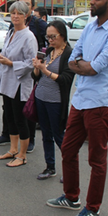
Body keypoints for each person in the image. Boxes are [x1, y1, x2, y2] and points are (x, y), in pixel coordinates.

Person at [46, 0, 108, 216]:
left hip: (100, 103)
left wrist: (84, 65)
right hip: (80, 100)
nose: (91, 2)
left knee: (97, 159)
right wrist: (83, 65)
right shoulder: (90, 27)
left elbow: (94, 68)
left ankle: (93, 208)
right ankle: (71, 197)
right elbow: (72, 59)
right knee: (68, 150)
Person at [0, 0, 46, 152]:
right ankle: (13, 149)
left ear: (26, 16)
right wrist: (1, 56)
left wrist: (10, 63)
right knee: (10, 117)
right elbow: (9, 53)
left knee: (20, 120)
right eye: (13, 13)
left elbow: (31, 62)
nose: (15, 16)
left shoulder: (29, 37)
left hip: (20, 84)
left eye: (19, 14)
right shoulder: (10, 32)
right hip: (8, 81)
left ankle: (22, 154)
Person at [32, 20, 75, 179]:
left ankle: (70, 170)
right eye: (47, 36)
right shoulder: (48, 51)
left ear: (62, 35)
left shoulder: (69, 54)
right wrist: (37, 68)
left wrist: (45, 70)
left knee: (59, 136)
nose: (49, 40)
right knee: (46, 134)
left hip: (56, 101)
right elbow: (35, 77)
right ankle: (50, 167)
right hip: (41, 97)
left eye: (53, 36)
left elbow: (65, 79)